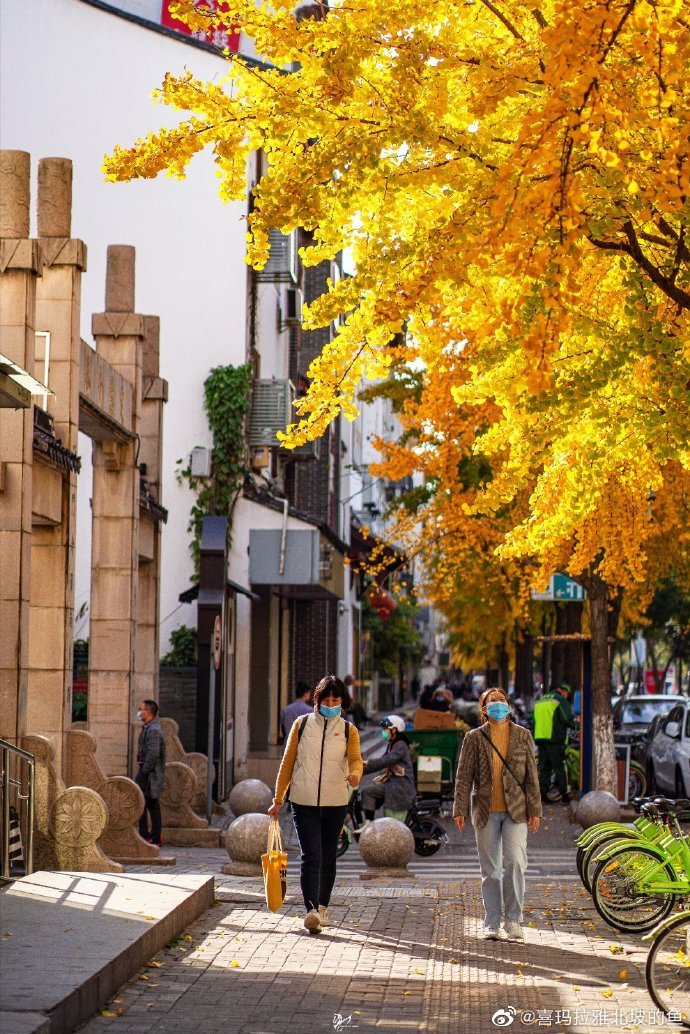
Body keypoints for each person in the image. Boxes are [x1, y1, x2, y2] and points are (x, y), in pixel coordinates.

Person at [269, 674, 363, 934]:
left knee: (328, 856)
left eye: (336, 699)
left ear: (343, 701)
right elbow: (287, 763)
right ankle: (310, 911)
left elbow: (356, 759)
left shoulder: (348, 730)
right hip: (303, 800)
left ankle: (323, 906)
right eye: (326, 699)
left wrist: (355, 775)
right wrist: (278, 799)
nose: (331, 703)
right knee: (311, 855)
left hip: (335, 802)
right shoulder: (301, 725)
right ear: (316, 699)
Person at [453, 687, 541, 941]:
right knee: (490, 869)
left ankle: (513, 921)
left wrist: (535, 810)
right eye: (493, 702)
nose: (498, 705)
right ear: (484, 710)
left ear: (509, 706)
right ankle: (492, 922)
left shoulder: (522, 735)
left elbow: (531, 777)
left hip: (516, 810)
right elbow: (463, 776)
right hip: (485, 811)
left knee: (514, 863)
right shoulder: (474, 737)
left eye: (502, 701)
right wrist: (459, 808)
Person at [360, 715, 417, 821]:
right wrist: (359, 771)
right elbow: (380, 763)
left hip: (400, 786)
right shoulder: (392, 744)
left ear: (394, 730)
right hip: (394, 784)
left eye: (386, 729)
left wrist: (368, 762)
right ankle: (369, 824)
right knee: (368, 792)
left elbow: (385, 760)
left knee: (368, 792)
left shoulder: (400, 745)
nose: (384, 732)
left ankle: (369, 825)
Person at [532, 681, 575, 803]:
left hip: (540, 738)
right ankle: (565, 796)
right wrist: (576, 725)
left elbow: (533, 718)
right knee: (559, 767)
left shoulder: (541, 699)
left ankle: (543, 795)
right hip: (554, 739)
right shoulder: (559, 699)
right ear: (564, 691)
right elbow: (567, 718)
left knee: (544, 768)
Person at [135, 699, 167, 847]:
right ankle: (151, 834)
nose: (139, 712)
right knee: (148, 803)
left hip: (149, 774)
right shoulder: (148, 727)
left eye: (141, 709)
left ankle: (150, 835)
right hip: (146, 771)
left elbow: (153, 754)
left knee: (145, 802)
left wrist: (145, 771)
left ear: (148, 712)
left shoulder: (153, 730)